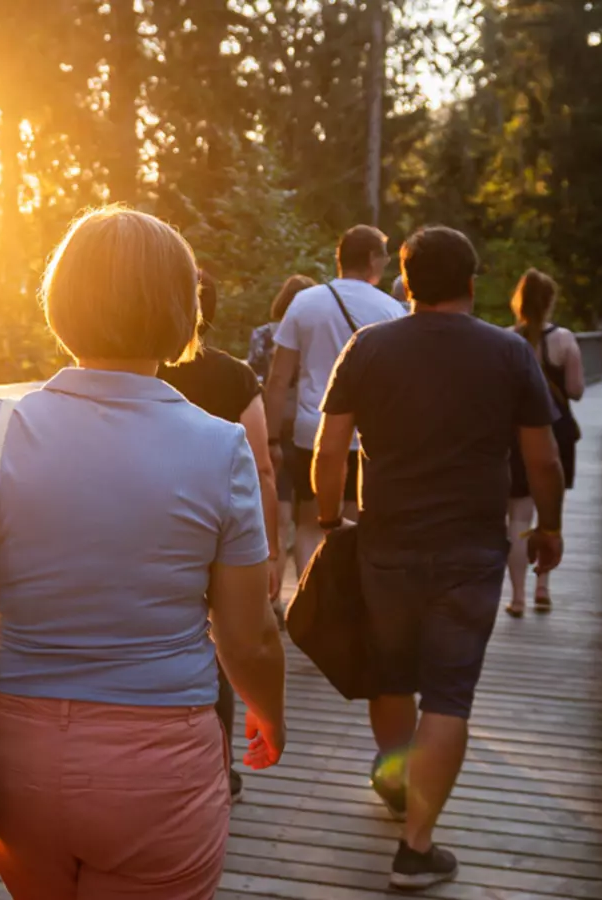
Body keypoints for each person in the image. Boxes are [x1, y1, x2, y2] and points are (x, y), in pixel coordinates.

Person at [0, 206, 287, 900]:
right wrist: (270, 708)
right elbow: (249, 634)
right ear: (180, 308)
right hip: (157, 767)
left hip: (14, 760)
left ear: (63, 299)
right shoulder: (219, 446)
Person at [312, 226, 565, 889]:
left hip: (385, 542)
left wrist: (328, 518)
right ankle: (416, 845)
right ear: (473, 283)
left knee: (392, 675)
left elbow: (330, 448)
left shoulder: (368, 347)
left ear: (406, 282)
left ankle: (398, 779)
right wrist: (549, 529)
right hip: (472, 551)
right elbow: (542, 457)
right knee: (449, 694)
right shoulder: (508, 353)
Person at [160, 270, 280, 803]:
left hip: (156, 523)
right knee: (223, 641)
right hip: (219, 523)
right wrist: (269, 550)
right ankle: (222, 767)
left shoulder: (143, 372)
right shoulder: (235, 376)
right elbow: (263, 467)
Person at [264, 226, 405, 582]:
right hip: (367, 438)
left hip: (311, 433)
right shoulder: (390, 309)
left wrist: (269, 440)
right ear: (373, 259)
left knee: (310, 523)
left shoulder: (305, 302)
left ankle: (312, 598)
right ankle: (348, 603)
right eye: (384, 258)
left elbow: (278, 378)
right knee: (355, 521)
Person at [506, 269, 584, 617]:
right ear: (550, 301)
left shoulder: (506, 340)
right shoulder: (565, 340)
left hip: (515, 434)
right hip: (557, 432)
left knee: (518, 518)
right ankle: (543, 588)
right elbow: (576, 391)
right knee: (550, 514)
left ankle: (517, 597)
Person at [247, 273, 315, 599]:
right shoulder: (317, 335)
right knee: (310, 514)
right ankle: (308, 591)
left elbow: (255, 378)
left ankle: (272, 595)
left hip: (272, 422)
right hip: (310, 423)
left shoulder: (263, 335)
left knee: (278, 505)